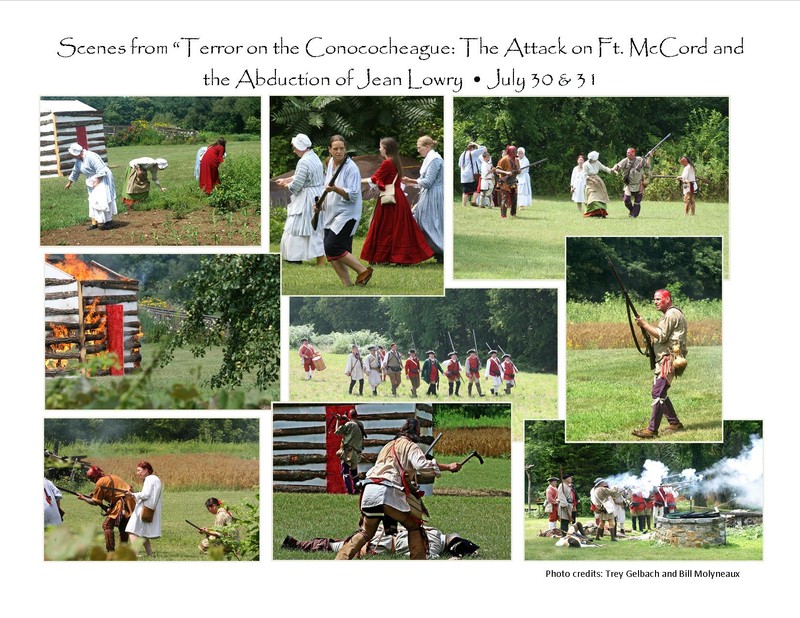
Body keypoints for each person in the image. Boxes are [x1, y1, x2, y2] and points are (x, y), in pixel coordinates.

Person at [334, 418, 462, 560]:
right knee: (414, 527)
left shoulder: (388, 446)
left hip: (369, 490)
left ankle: (340, 560)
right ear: (416, 432)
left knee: (365, 533)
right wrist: (449, 467)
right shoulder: (410, 446)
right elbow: (422, 466)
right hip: (387, 492)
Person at [360, 137, 434, 265]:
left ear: (386, 149)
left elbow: (375, 178)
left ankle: (384, 256)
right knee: (398, 227)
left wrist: (358, 180)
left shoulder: (387, 162)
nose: (379, 149)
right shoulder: (395, 161)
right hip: (397, 196)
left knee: (386, 227)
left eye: (381, 147)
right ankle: (400, 257)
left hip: (391, 198)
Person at [631, 288, 688, 439]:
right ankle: (674, 423)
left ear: (667, 299)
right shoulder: (669, 314)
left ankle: (652, 430)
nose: (655, 302)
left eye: (658, 299)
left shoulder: (671, 314)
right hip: (664, 359)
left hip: (668, 360)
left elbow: (662, 336)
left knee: (658, 393)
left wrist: (644, 324)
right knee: (659, 392)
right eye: (654, 299)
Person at [321, 135, 373, 286]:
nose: (339, 152)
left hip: (347, 214)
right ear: (329, 150)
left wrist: (336, 189)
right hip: (332, 212)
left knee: (332, 246)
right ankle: (347, 283)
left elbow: (353, 195)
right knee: (330, 250)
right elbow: (326, 186)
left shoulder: (351, 168)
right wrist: (320, 204)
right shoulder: (330, 162)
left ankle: (363, 271)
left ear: (345, 149)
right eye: (335, 149)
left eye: (342, 148)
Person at [283, 523, 479, 559]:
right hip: (381, 541)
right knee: (336, 545)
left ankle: (297, 544)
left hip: (380, 538)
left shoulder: (435, 534)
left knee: (336, 544)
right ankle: (298, 545)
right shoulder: (435, 542)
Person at [279, 134, 326, 265]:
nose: (294, 150)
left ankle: (294, 257)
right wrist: (286, 179)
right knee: (315, 226)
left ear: (301, 147)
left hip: (307, 197)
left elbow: (297, 185)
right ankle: (319, 260)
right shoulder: (314, 157)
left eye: (295, 148)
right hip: (317, 194)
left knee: (297, 225)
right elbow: (301, 176)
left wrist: (287, 185)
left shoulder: (303, 161)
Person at [76, 465, 136, 552]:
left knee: (107, 525)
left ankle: (110, 550)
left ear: (94, 477)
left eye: (91, 479)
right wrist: (95, 494)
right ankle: (124, 549)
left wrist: (83, 498)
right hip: (130, 502)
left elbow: (95, 502)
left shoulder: (100, 483)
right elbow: (115, 490)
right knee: (123, 526)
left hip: (121, 503)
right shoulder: (112, 476)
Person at [404, 135, 444, 263]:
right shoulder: (429, 158)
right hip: (429, 193)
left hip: (434, 194)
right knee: (422, 221)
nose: (418, 150)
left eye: (419, 147)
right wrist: (411, 183)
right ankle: (433, 250)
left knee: (430, 223)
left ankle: (441, 250)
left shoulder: (435, 159)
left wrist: (410, 180)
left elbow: (427, 182)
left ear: (427, 146)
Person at [64, 143, 117, 230]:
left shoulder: (91, 156)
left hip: (102, 177)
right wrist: (69, 182)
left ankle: (108, 221)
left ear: (78, 153)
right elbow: (75, 171)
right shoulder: (78, 161)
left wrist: (97, 181)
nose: (72, 156)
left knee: (101, 199)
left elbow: (101, 169)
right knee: (92, 200)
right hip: (92, 180)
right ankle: (94, 222)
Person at [125, 461, 163, 557]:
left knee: (132, 530)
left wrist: (132, 494)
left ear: (146, 470)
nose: (137, 473)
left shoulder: (149, 479)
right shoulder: (155, 478)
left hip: (143, 508)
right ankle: (149, 554)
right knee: (143, 533)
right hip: (149, 508)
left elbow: (145, 495)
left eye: (139, 470)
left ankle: (135, 553)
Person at [334, 409, 368, 494]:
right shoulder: (360, 424)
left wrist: (338, 420)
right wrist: (346, 419)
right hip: (356, 452)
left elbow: (337, 432)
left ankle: (349, 491)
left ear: (349, 416)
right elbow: (354, 423)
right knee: (354, 473)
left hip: (348, 453)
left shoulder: (349, 424)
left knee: (345, 472)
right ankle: (357, 490)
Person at [612, 147, 649, 218]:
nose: (628, 154)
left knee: (637, 200)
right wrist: (614, 169)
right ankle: (632, 210)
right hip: (628, 184)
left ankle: (634, 215)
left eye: (630, 153)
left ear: (633, 153)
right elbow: (617, 165)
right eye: (627, 153)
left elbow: (647, 165)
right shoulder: (625, 161)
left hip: (639, 184)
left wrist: (649, 157)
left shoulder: (639, 159)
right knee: (626, 200)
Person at [582, 151, 617, 218]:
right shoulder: (585, 164)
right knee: (592, 198)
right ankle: (592, 213)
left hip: (597, 181)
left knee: (600, 197)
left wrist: (611, 170)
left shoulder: (597, 163)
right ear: (592, 159)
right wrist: (592, 180)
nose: (596, 159)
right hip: (589, 181)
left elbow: (604, 168)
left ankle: (600, 213)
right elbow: (585, 175)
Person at [495, 145, 520, 219]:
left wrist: (518, 171)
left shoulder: (516, 160)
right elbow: (497, 170)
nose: (516, 152)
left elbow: (518, 170)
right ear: (511, 151)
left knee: (514, 198)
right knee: (505, 198)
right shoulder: (504, 159)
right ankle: (503, 215)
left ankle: (513, 213)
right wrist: (506, 173)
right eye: (514, 151)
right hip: (505, 182)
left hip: (513, 181)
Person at [458, 142, 487, 206]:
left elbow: (460, 165)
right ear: (472, 148)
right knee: (477, 188)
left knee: (465, 190)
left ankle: (464, 204)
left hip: (463, 175)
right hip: (471, 175)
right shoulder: (473, 153)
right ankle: (473, 201)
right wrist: (476, 144)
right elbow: (484, 149)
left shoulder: (462, 154)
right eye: (475, 148)